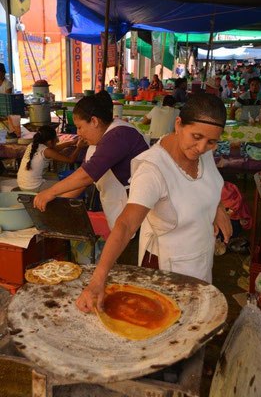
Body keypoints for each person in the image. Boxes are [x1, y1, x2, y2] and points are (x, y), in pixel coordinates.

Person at [75, 93, 232, 313]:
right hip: (167, 270)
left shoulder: (200, 151)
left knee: (198, 322)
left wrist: (217, 206)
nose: (202, 147)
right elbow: (126, 225)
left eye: (212, 142)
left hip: (201, 257)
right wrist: (98, 280)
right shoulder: (153, 169)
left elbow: (206, 182)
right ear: (178, 124)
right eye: (196, 137)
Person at [33, 91, 149, 230]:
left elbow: (86, 176)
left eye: (80, 127)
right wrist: (56, 208)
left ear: (94, 121)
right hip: (120, 212)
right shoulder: (97, 143)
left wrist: (50, 192)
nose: (78, 133)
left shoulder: (118, 135)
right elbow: (79, 184)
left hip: (139, 212)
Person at [17, 126, 83, 192]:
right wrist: (79, 147)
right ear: (49, 142)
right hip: (33, 186)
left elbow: (55, 149)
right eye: (55, 139)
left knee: (57, 178)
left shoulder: (33, 145)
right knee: (68, 187)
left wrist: (71, 143)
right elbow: (70, 160)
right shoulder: (46, 151)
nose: (57, 141)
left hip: (22, 184)